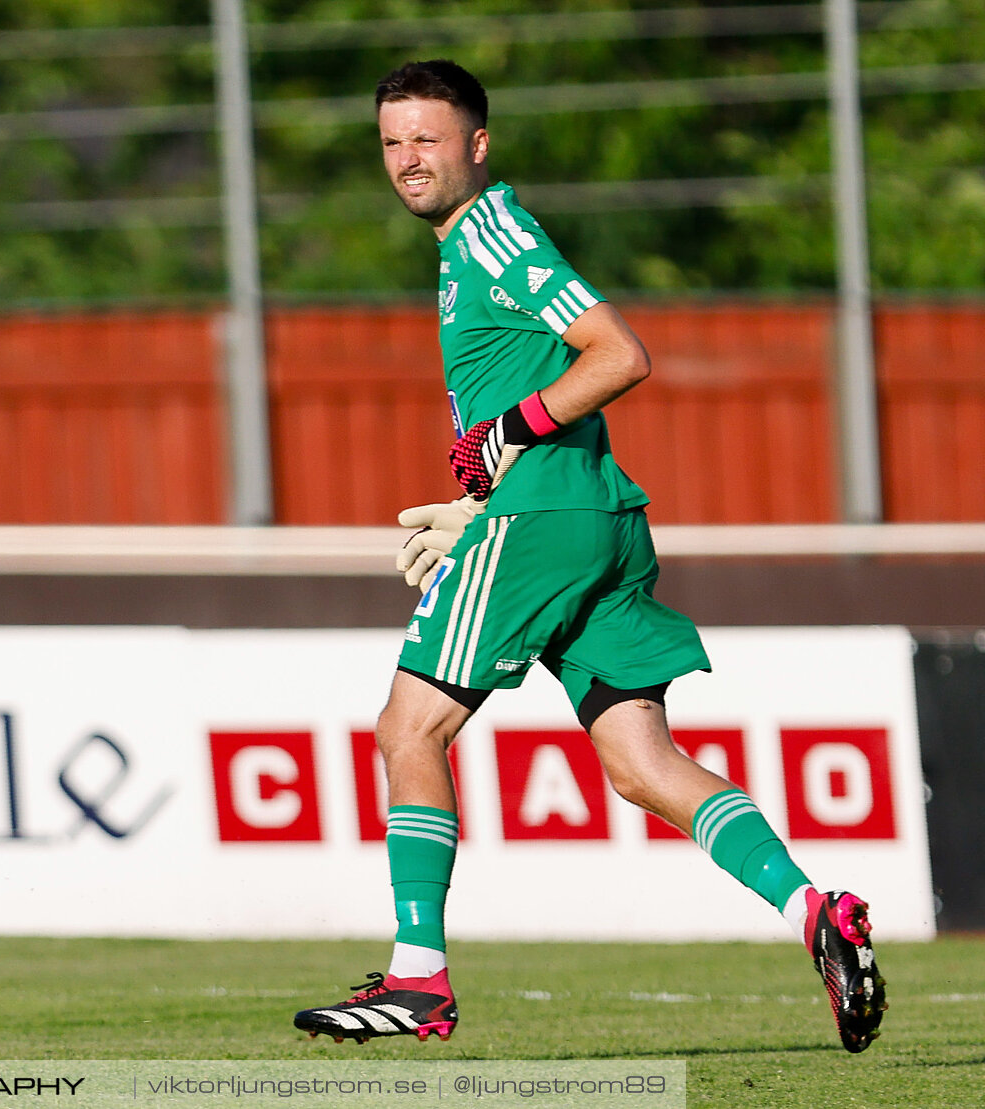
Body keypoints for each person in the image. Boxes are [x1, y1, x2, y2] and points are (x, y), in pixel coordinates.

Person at [290, 59, 886, 1053]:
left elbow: (616, 351)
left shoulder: (489, 231)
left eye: (428, 140)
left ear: (477, 145)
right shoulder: (469, 244)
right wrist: (479, 490)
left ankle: (418, 980)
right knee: (642, 762)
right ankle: (814, 912)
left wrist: (508, 441)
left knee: (408, 727)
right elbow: (531, 384)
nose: (407, 161)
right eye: (393, 142)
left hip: (545, 521)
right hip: (590, 517)